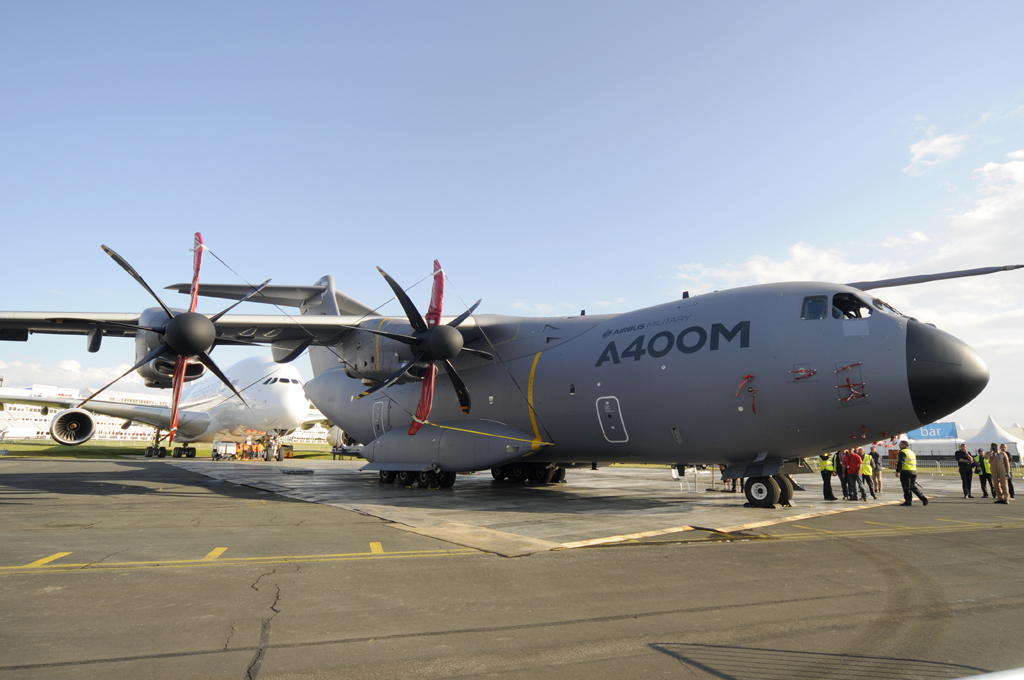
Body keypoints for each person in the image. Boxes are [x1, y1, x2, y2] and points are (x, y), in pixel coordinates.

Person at [896, 440, 928, 506]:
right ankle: (923, 498)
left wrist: (897, 471)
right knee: (912, 486)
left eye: (900, 444)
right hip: (913, 471)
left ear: (903, 445)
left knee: (906, 487)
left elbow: (901, 462)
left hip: (906, 471)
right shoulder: (911, 452)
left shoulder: (902, 452)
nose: (899, 445)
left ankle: (908, 501)